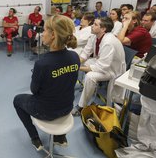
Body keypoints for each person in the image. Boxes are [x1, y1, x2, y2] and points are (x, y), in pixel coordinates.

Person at [13, 15, 80, 151]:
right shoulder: (74, 57)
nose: (42, 34)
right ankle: (60, 137)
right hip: (67, 107)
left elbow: (34, 90)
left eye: (44, 31)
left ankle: (35, 138)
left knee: (17, 100)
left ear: (53, 35)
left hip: (46, 112)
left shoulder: (42, 64)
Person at [72, 17, 126, 115]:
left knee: (90, 76)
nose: (92, 26)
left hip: (112, 69)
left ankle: (81, 106)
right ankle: (85, 89)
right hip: (101, 62)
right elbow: (85, 53)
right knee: (80, 63)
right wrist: (75, 64)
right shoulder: (94, 36)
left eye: (95, 24)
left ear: (103, 29)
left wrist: (77, 68)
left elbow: (101, 67)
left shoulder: (108, 42)